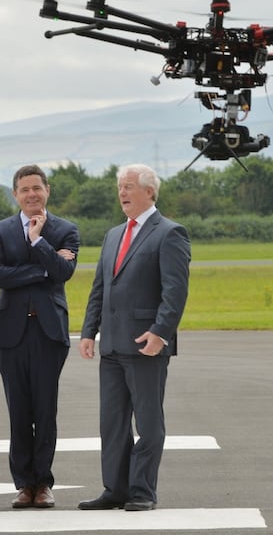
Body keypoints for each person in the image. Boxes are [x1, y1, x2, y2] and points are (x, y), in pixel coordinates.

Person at [78, 164, 191, 512]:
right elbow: (100, 287)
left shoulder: (169, 233)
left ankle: (142, 491)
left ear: (150, 192)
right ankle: (115, 488)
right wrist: (88, 332)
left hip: (146, 345)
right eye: (119, 187)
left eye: (128, 187)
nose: (122, 193)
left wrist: (160, 333)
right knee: (111, 424)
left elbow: (175, 292)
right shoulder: (113, 235)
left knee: (148, 422)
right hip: (111, 345)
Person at [0, 165, 80, 509]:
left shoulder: (66, 230)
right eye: (24, 189)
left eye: (36, 188)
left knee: (45, 409)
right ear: (15, 195)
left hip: (48, 333)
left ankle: (43, 483)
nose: (31, 194)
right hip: (10, 333)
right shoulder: (0, 230)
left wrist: (39, 242)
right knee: (18, 411)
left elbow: (64, 272)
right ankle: (23, 483)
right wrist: (44, 266)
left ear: (47, 190)